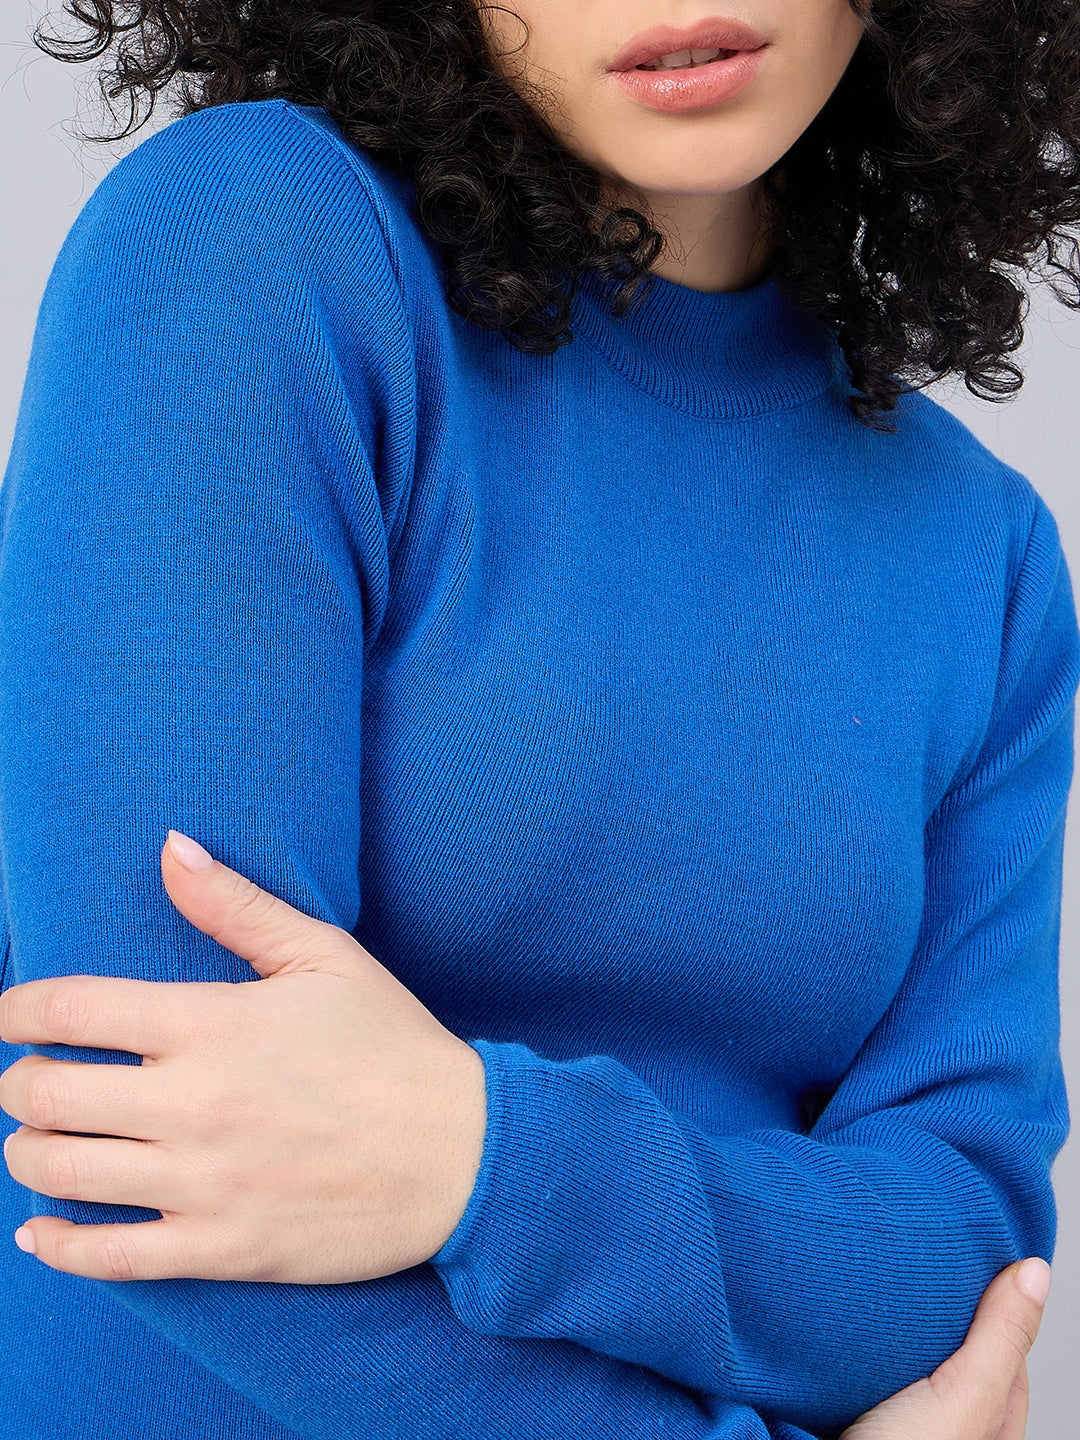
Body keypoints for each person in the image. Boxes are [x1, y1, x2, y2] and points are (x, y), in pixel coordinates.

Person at [0, 1, 1077, 1438]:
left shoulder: (981, 551)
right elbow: (139, 1134)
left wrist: (484, 1159)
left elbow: (958, 1248)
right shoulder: (257, 245)